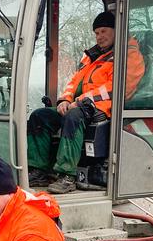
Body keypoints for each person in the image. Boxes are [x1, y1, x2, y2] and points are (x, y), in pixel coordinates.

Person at [27, 11, 145, 194]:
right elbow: (74, 82)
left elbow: (119, 88)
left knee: (73, 117)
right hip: (80, 105)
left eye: (104, 31)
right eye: (97, 33)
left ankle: (67, 175)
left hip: (103, 108)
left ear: (116, 30)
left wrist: (81, 101)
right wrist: (65, 100)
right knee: (40, 116)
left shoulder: (128, 55)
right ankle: (38, 169)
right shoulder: (91, 56)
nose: (99, 37)